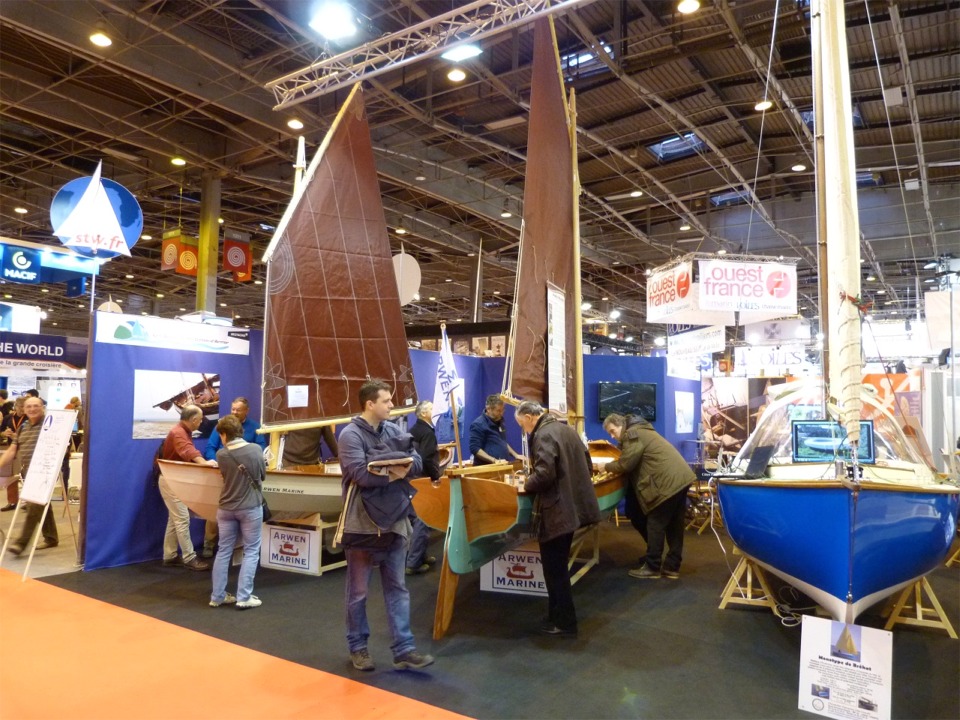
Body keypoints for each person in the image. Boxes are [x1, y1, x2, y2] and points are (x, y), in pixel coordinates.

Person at [337, 379, 433, 672]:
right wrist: (395, 472)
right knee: (358, 593)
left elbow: (417, 463)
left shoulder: (394, 430)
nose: (392, 405)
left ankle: (404, 649)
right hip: (361, 525)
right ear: (370, 404)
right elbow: (360, 475)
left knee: (398, 589)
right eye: (387, 400)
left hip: (395, 522)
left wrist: (387, 466)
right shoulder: (349, 435)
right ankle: (358, 648)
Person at [514, 401, 600, 637]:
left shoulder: (543, 434)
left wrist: (525, 483)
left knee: (555, 570)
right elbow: (588, 463)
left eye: (523, 425)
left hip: (557, 511)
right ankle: (556, 615)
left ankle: (564, 622)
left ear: (531, 417)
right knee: (558, 567)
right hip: (572, 508)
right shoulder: (567, 430)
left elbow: (544, 474)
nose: (525, 431)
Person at [602, 413, 695, 580]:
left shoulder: (632, 434)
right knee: (675, 524)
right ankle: (672, 567)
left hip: (667, 483)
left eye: (612, 431)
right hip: (681, 478)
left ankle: (653, 566)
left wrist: (605, 466)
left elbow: (626, 464)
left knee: (655, 523)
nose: (612, 436)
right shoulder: (643, 429)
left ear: (620, 425)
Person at [209, 414, 264, 610]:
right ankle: (244, 597)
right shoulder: (256, 450)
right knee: (251, 551)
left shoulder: (221, 455)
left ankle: (217, 596)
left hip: (225, 508)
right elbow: (261, 476)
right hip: (250, 508)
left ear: (224, 435)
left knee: (224, 551)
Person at [202, 396, 268, 557]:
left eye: (238, 409)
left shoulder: (255, 427)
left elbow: (261, 447)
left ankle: (239, 548)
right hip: (223, 472)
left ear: (247, 411)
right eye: (233, 409)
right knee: (215, 508)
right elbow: (210, 448)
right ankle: (209, 544)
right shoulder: (222, 425)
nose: (235, 412)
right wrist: (218, 461)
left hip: (245, 476)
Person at [158, 404, 215, 571]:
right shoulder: (179, 433)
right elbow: (188, 451)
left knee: (174, 519)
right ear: (194, 420)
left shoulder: (180, 431)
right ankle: (189, 557)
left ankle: (170, 555)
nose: (202, 421)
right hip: (171, 480)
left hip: (172, 479)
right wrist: (204, 463)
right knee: (182, 519)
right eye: (200, 418)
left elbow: (187, 450)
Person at [2, 397, 61, 555]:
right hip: (29, 470)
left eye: (36, 406)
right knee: (41, 504)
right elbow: (12, 451)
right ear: (23, 409)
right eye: (29, 406)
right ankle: (51, 537)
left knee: (33, 504)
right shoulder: (23, 427)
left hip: (46, 470)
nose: (32, 409)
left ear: (42, 407)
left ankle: (21, 543)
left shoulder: (50, 425)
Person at [405, 400, 440, 575]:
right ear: (425, 413)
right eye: (432, 409)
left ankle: (420, 555)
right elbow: (427, 458)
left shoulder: (413, 430)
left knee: (415, 520)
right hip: (423, 479)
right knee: (423, 520)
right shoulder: (428, 432)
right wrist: (436, 477)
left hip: (412, 479)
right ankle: (414, 563)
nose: (435, 411)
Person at [469, 394, 523, 465]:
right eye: (498, 410)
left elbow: (502, 442)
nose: (502, 413)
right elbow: (475, 448)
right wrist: (494, 460)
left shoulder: (500, 421)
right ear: (488, 409)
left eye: (503, 409)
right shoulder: (478, 424)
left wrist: (516, 455)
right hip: (486, 469)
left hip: (502, 466)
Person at [0, 397, 26, 511]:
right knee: (11, 476)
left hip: (26, 449)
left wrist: (17, 437)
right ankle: (12, 502)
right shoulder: (8, 418)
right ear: (15, 406)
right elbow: (0, 431)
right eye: (20, 407)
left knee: (26, 476)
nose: (22, 409)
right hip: (11, 448)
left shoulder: (30, 419)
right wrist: (3, 434)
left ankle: (29, 502)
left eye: (23, 407)